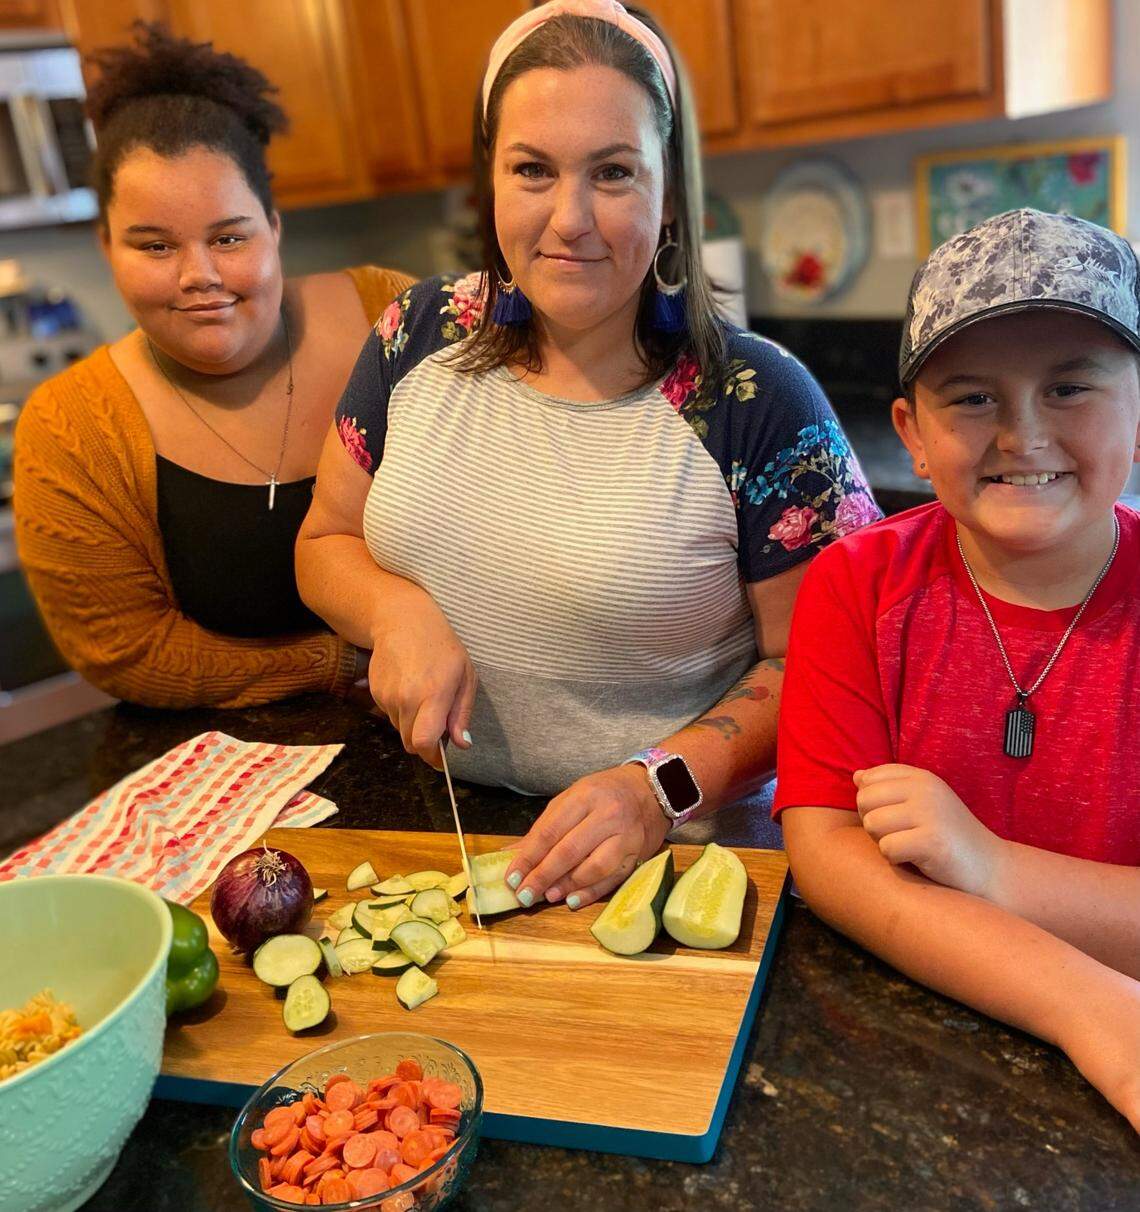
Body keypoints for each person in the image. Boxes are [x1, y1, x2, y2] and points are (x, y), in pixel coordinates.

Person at [296, 0, 875, 910]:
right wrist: (393, 610)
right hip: (437, 831)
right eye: (532, 169)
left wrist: (658, 787)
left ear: (670, 193)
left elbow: (829, 664)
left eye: (613, 172)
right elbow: (323, 542)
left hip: (683, 868)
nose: (570, 219)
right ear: (489, 183)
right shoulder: (413, 335)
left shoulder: (758, 403)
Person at [775, 208, 1140, 1132]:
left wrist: (992, 868)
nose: (1022, 433)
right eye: (973, 398)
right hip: (907, 1065)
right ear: (912, 434)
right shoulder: (856, 586)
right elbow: (828, 858)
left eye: (1070, 388)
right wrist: (1085, 1005)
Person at [13, 24, 414, 708]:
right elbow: (131, 652)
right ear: (106, 245)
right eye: (154, 246)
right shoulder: (68, 429)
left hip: (463, 733)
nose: (200, 276)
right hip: (220, 779)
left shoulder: (395, 316)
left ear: (275, 225)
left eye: (229, 237)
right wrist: (348, 661)